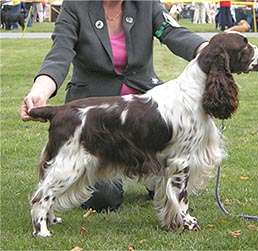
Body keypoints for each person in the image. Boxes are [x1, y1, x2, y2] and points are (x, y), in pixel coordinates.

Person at [20, 0, 209, 212]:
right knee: (103, 201)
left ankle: (152, 174)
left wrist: (207, 49)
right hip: (98, 120)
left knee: (170, 177)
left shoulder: (146, 4)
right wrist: (40, 91)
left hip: (145, 116)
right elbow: (60, 52)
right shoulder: (75, 6)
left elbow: (173, 32)